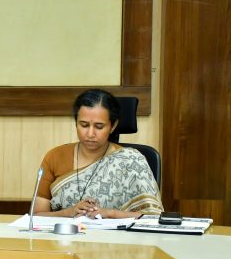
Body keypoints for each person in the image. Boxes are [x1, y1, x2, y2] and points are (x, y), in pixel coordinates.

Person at [34, 88, 163, 219]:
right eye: (84, 125)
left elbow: (153, 218)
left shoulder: (132, 160)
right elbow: (36, 216)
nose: (90, 134)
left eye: (99, 126)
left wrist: (110, 213)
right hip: (65, 232)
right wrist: (68, 212)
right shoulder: (55, 157)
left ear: (113, 126)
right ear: (76, 123)